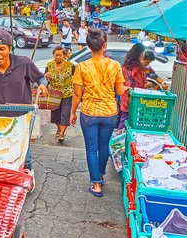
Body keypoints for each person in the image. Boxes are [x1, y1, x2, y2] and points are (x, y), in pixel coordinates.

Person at [0, 29, 48, 186]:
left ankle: (28, 176)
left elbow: (40, 77)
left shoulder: (24, 63)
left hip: (22, 115)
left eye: (2, 49)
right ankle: (4, 179)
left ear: (9, 48)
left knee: (23, 152)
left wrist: (42, 85)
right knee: (0, 150)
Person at [70, 28, 126, 197]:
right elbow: (121, 91)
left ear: (88, 46)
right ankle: (101, 175)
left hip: (89, 112)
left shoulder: (81, 66)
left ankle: (96, 184)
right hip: (109, 113)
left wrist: (72, 112)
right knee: (104, 147)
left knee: (91, 149)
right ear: (105, 46)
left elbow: (77, 94)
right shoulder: (115, 65)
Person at [45, 46, 75, 143]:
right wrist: (46, 77)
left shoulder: (70, 65)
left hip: (67, 92)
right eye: (56, 55)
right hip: (54, 93)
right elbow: (44, 80)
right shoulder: (49, 65)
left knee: (65, 113)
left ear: (64, 56)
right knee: (55, 115)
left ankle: (62, 134)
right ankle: (59, 128)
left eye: (60, 55)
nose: (58, 57)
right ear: (53, 55)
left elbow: (75, 77)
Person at [118, 43, 147, 129]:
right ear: (140, 54)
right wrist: (146, 86)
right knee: (132, 123)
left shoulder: (124, 66)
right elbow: (139, 87)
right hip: (134, 99)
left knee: (123, 121)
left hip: (124, 96)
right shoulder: (138, 69)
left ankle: (119, 140)